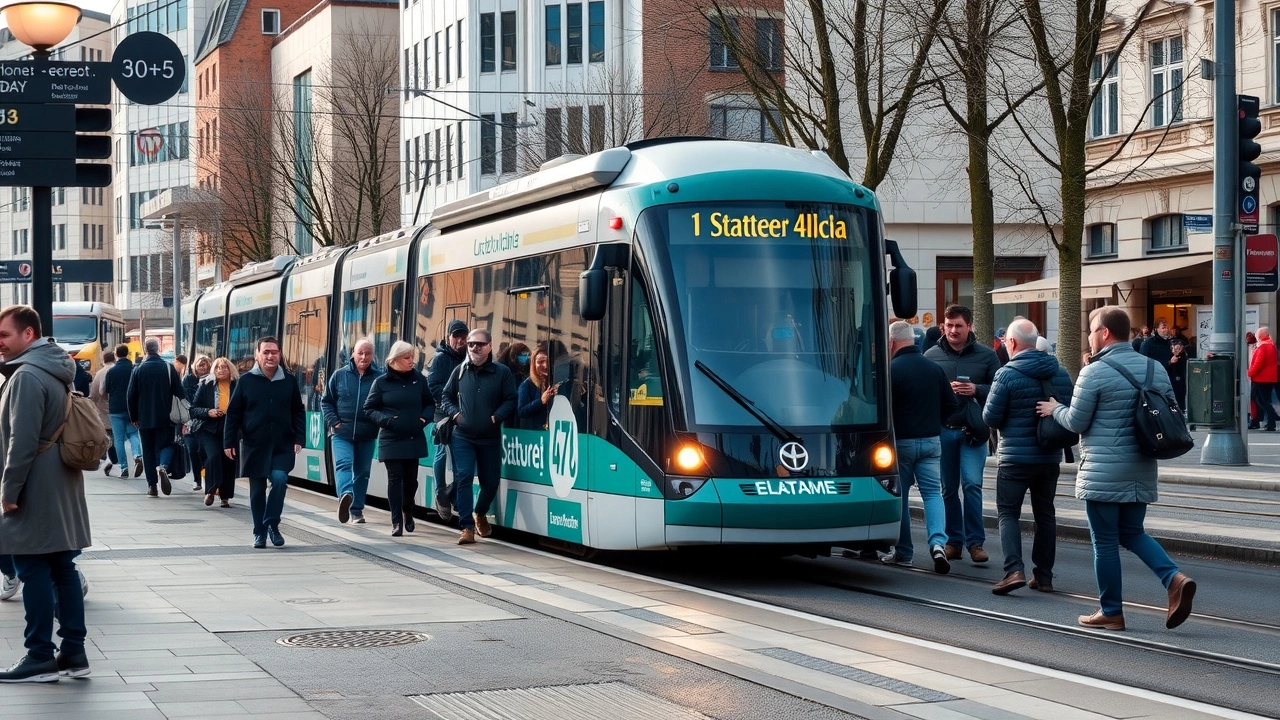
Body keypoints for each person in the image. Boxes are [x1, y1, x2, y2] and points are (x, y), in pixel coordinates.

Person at [1036, 306, 1197, 631]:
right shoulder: (1155, 368)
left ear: (1105, 333)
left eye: (1092, 331)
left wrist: (1055, 409)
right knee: (1132, 532)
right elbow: (1171, 410)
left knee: (1106, 541)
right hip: (1142, 466)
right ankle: (1174, 578)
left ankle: (1111, 610)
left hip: (1104, 471)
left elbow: (1076, 422)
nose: (1090, 338)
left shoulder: (1094, 371)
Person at [0, 305, 93, 682]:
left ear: (28, 334)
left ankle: (39, 654)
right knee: (62, 568)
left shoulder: (27, 375)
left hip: (34, 484)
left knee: (32, 567)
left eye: (4, 335)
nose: (0, 343)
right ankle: (73, 651)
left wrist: (9, 490)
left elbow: (21, 441)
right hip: (60, 481)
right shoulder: (57, 369)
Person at [983, 319, 1073, 595]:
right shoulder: (1060, 372)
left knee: (1008, 513)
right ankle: (1043, 576)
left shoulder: (1006, 374)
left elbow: (991, 417)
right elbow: (1070, 412)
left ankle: (1014, 571)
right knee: (1045, 514)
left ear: (1011, 343)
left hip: (1015, 459)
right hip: (1049, 457)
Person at [923, 305, 1001, 564]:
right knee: (947, 489)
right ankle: (953, 542)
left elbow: (999, 390)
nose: (953, 330)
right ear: (942, 326)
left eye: (958, 325)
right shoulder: (931, 355)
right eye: (949, 325)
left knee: (971, 485)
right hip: (943, 430)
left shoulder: (987, 356)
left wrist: (975, 389)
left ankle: (975, 543)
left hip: (973, 432)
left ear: (969, 326)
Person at [882, 321, 957, 573]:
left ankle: (904, 552)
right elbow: (951, 406)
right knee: (933, 494)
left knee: (900, 496)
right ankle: (937, 544)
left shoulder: (891, 370)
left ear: (892, 342)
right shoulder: (934, 369)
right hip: (931, 441)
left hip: (901, 443)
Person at [223, 337, 304, 549]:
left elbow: (298, 411)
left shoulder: (289, 380)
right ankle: (260, 533)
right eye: (266, 352)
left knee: (279, 478)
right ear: (257, 355)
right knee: (257, 491)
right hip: (254, 444)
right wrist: (228, 441)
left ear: (280, 355)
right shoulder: (246, 381)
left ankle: (271, 523)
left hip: (282, 444)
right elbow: (233, 414)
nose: (270, 356)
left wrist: (299, 437)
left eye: (274, 352)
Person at [441, 328, 518, 545]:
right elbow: (445, 396)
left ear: (490, 346)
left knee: (490, 482)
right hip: (462, 437)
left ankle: (480, 513)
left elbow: (511, 400)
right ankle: (466, 528)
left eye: (480, 344)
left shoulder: (502, 373)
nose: (475, 347)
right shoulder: (460, 371)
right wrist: (455, 414)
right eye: (471, 344)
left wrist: (496, 417)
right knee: (463, 478)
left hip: (490, 438)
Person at [364, 342, 433, 536]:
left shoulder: (419, 379)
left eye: (413, 357)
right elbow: (369, 408)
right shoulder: (381, 382)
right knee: (395, 479)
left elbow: (429, 403)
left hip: (413, 436)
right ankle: (396, 521)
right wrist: (386, 420)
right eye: (407, 357)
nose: (412, 361)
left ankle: (407, 511)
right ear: (394, 360)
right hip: (391, 437)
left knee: (411, 481)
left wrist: (423, 419)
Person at [322, 339, 382, 524]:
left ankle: (356, 510)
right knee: (343, 464)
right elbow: (326, 401)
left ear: (372, 356)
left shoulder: (379, 378)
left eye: (368, 353)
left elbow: (385, 403)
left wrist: (378, 422)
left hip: (367, 433)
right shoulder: (340, 375)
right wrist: (334, 421)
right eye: (360, 353)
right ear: (353, 354)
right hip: (342, 432)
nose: (363, 357)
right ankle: (346, 495)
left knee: (363, 472)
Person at [127, 337, 183, 497]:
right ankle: (163, 466)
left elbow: (131, 395)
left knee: (148, 451)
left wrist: (134, 416)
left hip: (144, 418)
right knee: (168, 444)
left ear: (146, 350)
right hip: (166, 416)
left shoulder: (138, 369)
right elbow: (179, 392)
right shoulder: (168, 368)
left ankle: (152, 486)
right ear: (158, 349)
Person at [426, 319, 469, 521]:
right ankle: (440, 492)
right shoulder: (441, 358)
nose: (460, 340)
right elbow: (433, 385)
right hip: (443, 412)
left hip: (463, 413)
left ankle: (451, 495)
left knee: (464, 457)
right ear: (448, 337)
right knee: (443, 450)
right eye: (456, 336)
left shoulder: (470, 357)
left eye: (463, 336)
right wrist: (449, 405)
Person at [189, 358, 238, 508]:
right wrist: (208, 411)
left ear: (230, 370)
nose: (221, 370)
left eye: (224, 367)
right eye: (218, 368)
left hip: (229, 427)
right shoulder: (206, 385)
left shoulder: (237, 385)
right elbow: (193, 409)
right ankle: (210, 490)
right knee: (214, 456)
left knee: (229, 460)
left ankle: (225, 496)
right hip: (209, 428)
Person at [103, 344, 142, 479]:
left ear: (116, 354)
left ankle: (124, 468)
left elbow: (106, 389)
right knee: (133, 434)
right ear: (128, 353)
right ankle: (137, 455)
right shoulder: (134, 369)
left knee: (118, 439)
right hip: (131, 408)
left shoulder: (111, 371)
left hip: (115, 409)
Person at [183, 356, 212, 492]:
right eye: (200, 366)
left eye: (205, 366)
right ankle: (197, 479)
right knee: (193, 450)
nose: (203, 368)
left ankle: (206, 477)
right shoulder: (188, 379)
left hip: (205, 421)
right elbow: (185, 400)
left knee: (204, 452)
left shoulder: (212, 380)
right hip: (189, 421)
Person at [88, 351, 117, 473]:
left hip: (103, 409)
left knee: (106, 435)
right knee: (119, 436)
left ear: (104, 360)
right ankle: (118, 460)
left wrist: (91, 406)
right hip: (119, 408)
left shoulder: (100, 373)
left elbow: (94, 394)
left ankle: (108, 457)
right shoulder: (118, 369)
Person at [517, 343, 555, 430]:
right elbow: (522, 411)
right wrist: (541, 401)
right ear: (533, 364)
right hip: (535, 435)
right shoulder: (526, 385)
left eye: (548, 362)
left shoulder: (554, 382)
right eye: (540, 362)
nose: (545, 366)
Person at [1248, 327, 1279, 431]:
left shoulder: (1262, 347)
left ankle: (1272, 422)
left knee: (1262, 401)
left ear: (1260, 335)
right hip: (1269, 378)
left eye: (1257, 333)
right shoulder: (1271, 345)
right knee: (1264, 400)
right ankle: (1270, 422)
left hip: (1261, 378)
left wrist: (1249, 373)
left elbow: (1258, 363)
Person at [1167, 337, 1189, 415]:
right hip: (1171, 379)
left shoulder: (1184, 356)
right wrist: (1170, 362)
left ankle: (1182, 409)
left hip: (1182, 380)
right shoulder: (1167, 355)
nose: (1176, 349)